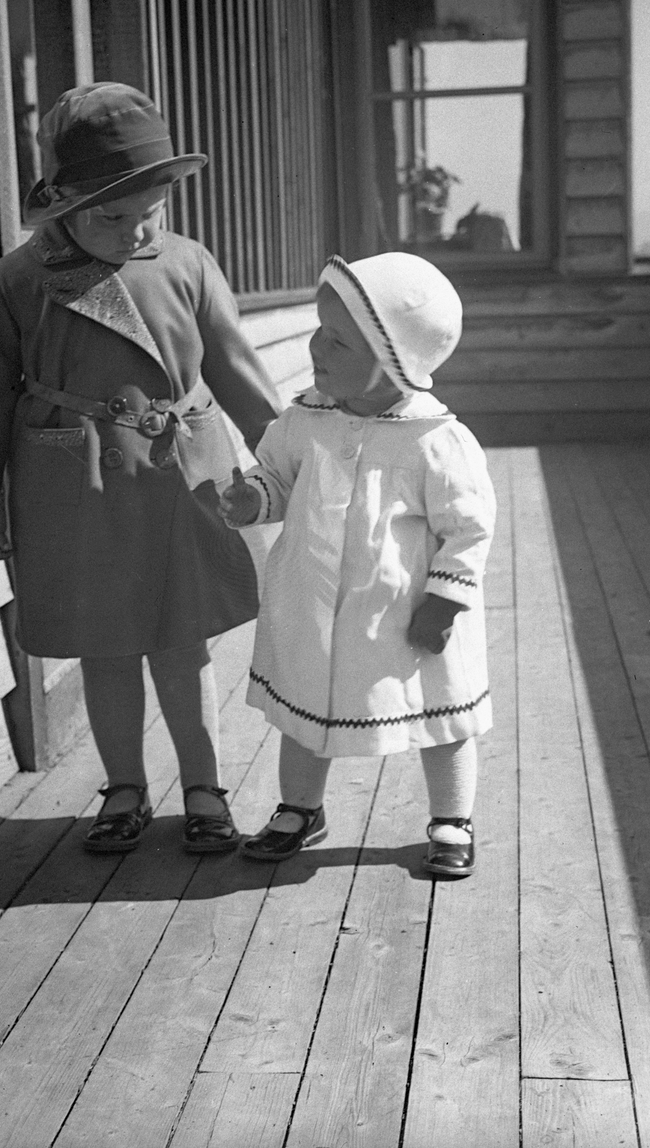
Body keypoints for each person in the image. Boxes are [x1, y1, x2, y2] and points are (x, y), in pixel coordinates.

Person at [0, 82, 281, 854]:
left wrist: (287, 459)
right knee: (106, 643)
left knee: (184, 639)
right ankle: (124, 787)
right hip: (74, 482)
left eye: (150, 213)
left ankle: (205, 788)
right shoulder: (16, 281)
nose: (134, 232)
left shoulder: (188, 263)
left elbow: (234, 368)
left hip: (181, 471)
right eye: (111, 217)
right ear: (61, 204)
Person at [219, 252, 495, 876]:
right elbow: (278, 478)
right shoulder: (305, 420)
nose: (317, 345)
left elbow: (468, 527)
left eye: (338, 339)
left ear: (394, 359)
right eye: (319, 329)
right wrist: (252, 497)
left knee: (441, 712)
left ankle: (452, 818)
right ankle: (300, 808)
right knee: (303, 703)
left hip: (410, 614)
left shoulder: (436, 440)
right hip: (315, 598)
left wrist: (445, 600)